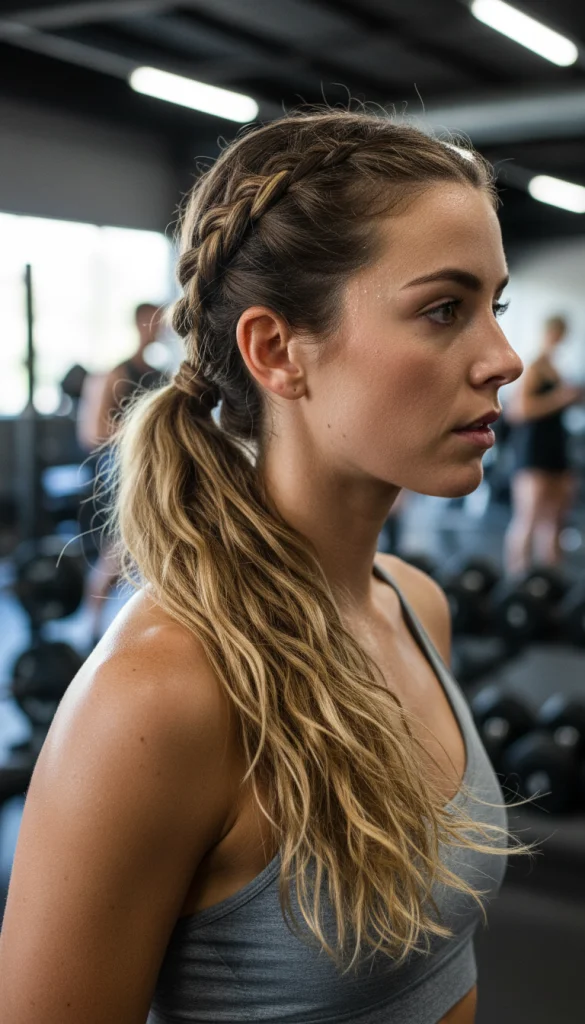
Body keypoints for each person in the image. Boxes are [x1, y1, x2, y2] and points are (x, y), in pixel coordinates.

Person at [0, 110, 532, 1024]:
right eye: (444, 309)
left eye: (495, 306)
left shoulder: (415, 605)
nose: (503, 359)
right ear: (276, 350)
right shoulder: (158, 700)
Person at [76, 302, 169, 645]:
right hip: (119, 474)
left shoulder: (162, 375)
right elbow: (91, 432)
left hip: (155, 471)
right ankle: (91, 629)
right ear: (139, 324)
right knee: (116, 554)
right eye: (152, 321)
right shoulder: (117, 373)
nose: (158, 328)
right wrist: (142, 430)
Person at [503, 315, 583, 576]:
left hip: (556, 448)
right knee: (528, 519)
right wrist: (560, 398)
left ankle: (550, 583)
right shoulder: (535, 367)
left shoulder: (555, 368)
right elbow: (518, 410)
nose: (560, 339)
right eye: (557, 333)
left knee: (555, 521)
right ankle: (518, 581)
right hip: (533, 450)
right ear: (548, 333)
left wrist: (571, 399)